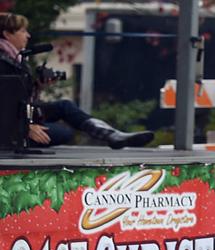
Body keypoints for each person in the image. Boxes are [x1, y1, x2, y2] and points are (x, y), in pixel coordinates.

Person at [1, 14, 154, 149]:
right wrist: (24, 128)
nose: (28, 36)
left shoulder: (17, 59)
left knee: (64, 106)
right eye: (22, 31)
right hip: (9, 125)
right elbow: (5, 104)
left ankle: (112, 135)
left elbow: (20, 98)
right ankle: (17, 139)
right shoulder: (3, 62)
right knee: (64, 134)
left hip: (21, 117)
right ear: (7, 34)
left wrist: (38, 86)